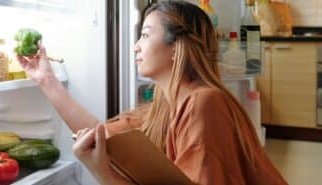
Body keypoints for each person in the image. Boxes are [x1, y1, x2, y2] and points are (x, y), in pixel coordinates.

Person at [17, 1, 288, 184]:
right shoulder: (164, 107)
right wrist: (47, 81)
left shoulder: (204, 103)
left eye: (145, 35)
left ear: (176, 47)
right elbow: (100, 135)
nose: (136, 46)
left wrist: (103, 173)